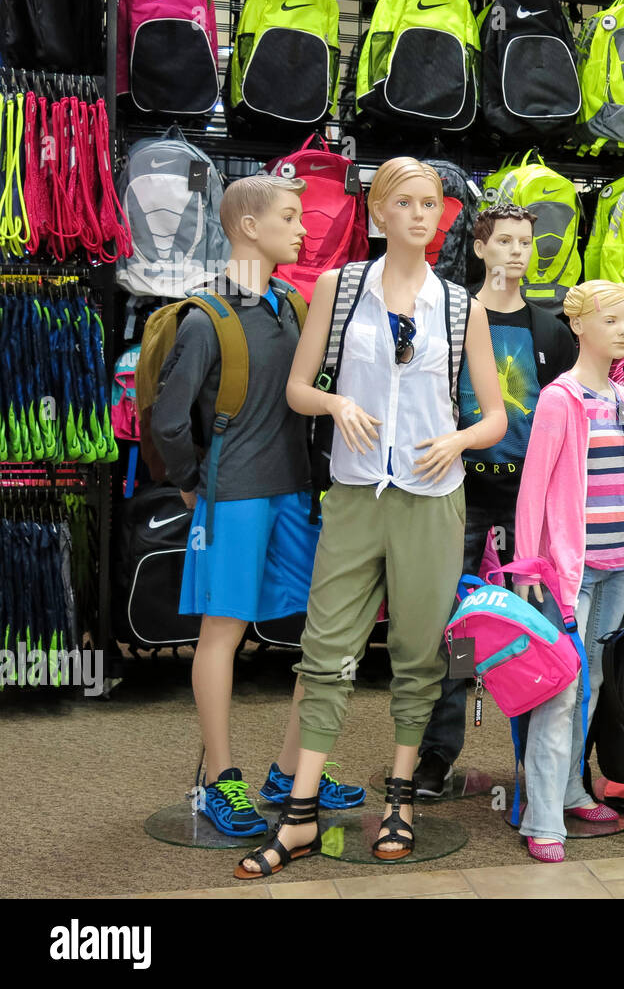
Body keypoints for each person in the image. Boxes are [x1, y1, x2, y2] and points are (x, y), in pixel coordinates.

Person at [234, 157, 506, 878]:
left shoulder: (461, 306)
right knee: (325, 650)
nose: (421, 215)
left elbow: (498, 415)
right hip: (354, 493)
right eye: (405, 203)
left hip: (431, 497)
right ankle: (298, 812)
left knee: (419, 655)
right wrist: (336, 402)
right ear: (379, 211)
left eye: (431, 204)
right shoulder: (337, 286)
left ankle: (401, 796)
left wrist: (458, 437)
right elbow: (297, 387)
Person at [151, 174, 366, 839]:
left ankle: (289, 769)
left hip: (296, 494)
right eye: (291, 217)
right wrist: (194, 485)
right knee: (224, 631)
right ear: (248, 226)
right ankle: (221, 777)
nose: (305, 230)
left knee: (319, 635)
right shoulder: (205, 315)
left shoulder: (294, 306)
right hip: (235, 498)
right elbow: (167, 420)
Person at [413, 203, 576, 799]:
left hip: (526, 504)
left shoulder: (551, 329)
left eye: (525, 242)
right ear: (479, 249)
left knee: (534, 629)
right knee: (454, 629)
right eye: (503, 240)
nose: (516, 252)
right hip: (463, 494)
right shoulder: (455, 319)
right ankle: (437, 753)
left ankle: (537, 764)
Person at [512, 280, 624, 862]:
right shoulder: (559, 399)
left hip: (620, 563)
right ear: (579, 327)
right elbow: (533, 489)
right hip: (569, 572)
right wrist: (528, 564)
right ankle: (541, 818)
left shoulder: (622, 399)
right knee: (559, 691)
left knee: (590, 685)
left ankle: (571, 789)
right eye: (612, 320)